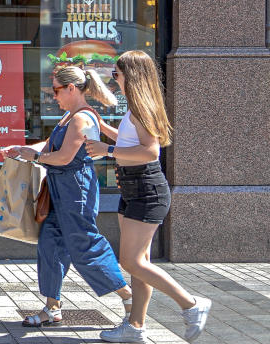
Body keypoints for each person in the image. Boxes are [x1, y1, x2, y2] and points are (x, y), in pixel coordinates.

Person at [85, 51, 211, 343]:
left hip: (146, 188)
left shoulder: (142, 107)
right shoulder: (135, 108)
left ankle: (191, 304)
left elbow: (150, 152)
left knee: (131, 262)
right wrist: (105, 131)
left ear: (132, 75)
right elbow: (133, 141)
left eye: (117, 74)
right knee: (139, 263)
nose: (114, 80)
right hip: (133, 187)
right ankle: (135, 327)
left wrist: (107, 151)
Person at [4, 66, 133, 327]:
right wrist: (21, 149)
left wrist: (35, 157)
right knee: (50, 244)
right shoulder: (69, 117)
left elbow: (63, 157)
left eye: (56, 90)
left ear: (71, 88)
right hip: (61, 189)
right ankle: (52, 307)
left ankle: (129, 297)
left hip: (76, 189)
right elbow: (53, 147)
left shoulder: (80, 118)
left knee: (84, 245)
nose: (54, 96)